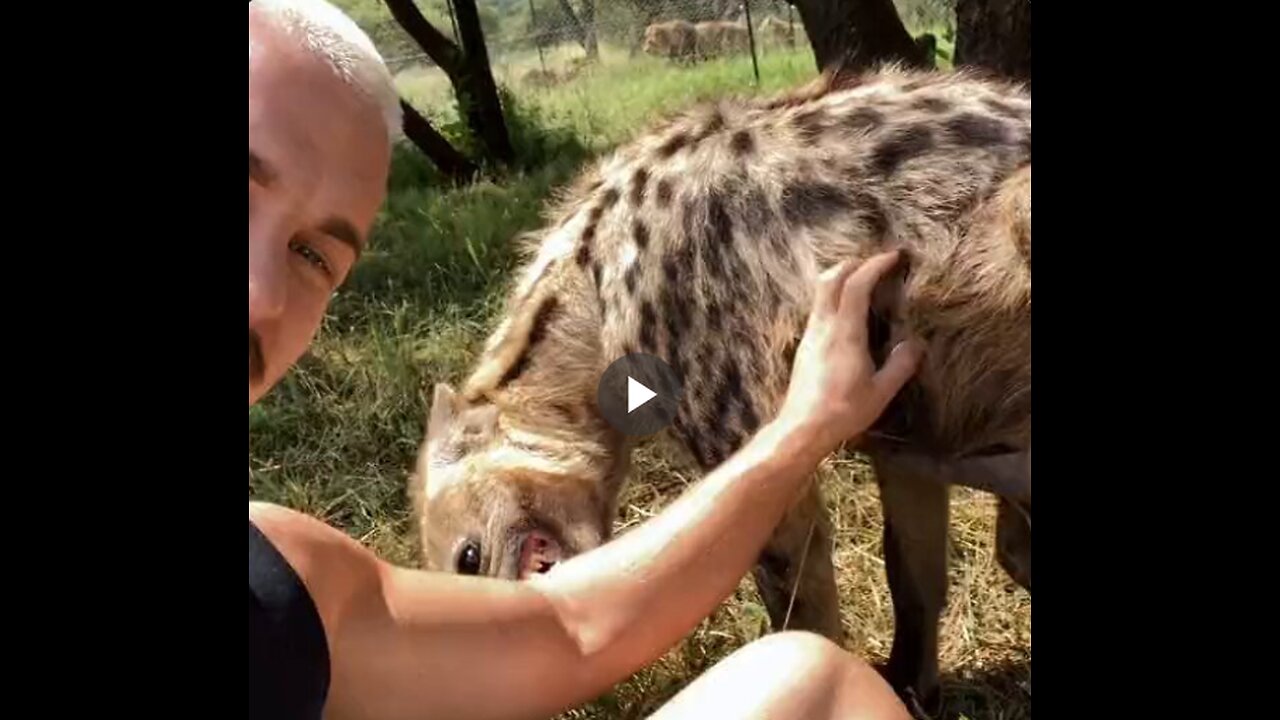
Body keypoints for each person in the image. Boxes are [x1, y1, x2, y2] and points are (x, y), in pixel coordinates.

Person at [248, 2, 926, 719]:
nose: (260, 294)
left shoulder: (285, 584)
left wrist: (799, 430)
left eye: (313, 253)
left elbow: (570, 628)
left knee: (808, 674)